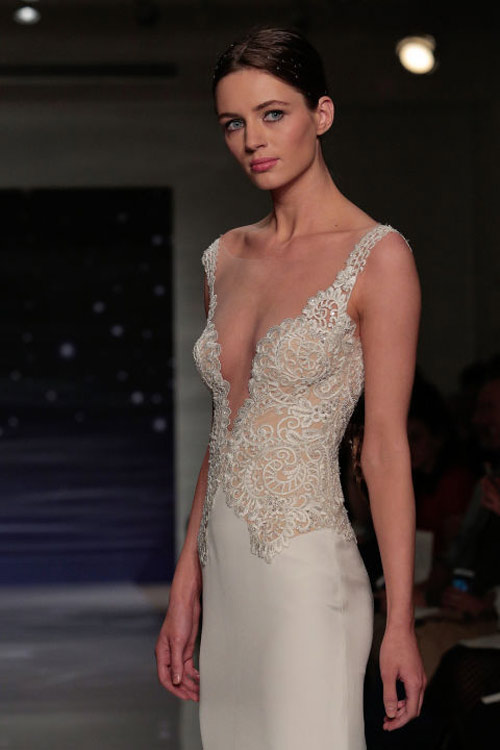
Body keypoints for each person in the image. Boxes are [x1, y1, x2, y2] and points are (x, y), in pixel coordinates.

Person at [155, 24, 426, 749]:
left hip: (307, 579)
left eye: (273, 114)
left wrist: (400, 622)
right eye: (233, 123)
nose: (253, 140)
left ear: (322, 114)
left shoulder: (379, 257)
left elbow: (385, 450)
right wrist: (186, 580)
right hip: (228, 580)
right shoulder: (223, 258)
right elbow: (226, 431)